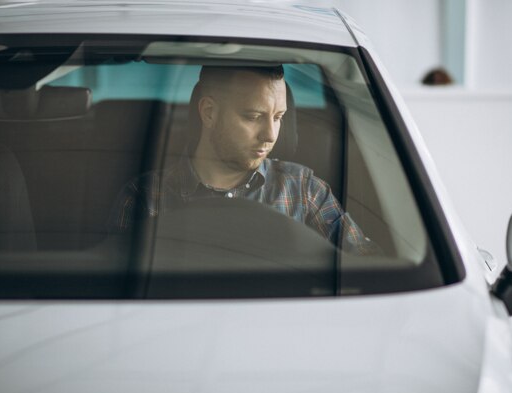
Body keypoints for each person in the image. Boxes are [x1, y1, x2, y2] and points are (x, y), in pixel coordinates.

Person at [111, 65, 381, 255]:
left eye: (278, 118)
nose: (270, 135)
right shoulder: (144, 199)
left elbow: (366, 261)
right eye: (253, 117)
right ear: (209, 113)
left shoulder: (304, 191)